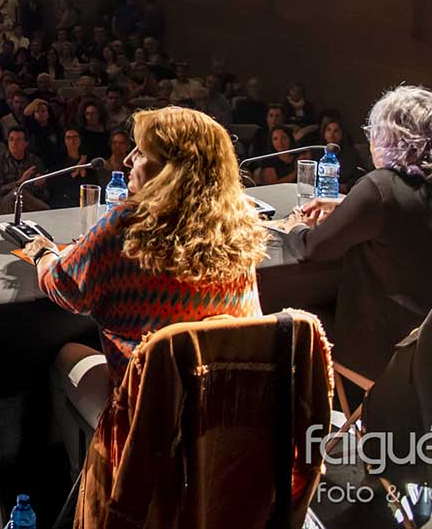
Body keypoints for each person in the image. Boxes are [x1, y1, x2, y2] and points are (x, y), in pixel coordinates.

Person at [28, 109, 264, 519]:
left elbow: (64, 287)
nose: (127, 159)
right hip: (227, 407)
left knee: (66, 354)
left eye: (139, 152)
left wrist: (43, 254)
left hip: (148, 411)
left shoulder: (127, 224)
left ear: (169, 169)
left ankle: (90, 485)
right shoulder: (239, 224)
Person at [284, 86, 432, 379]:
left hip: (399, 357)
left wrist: (295, 226)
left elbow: (314, 248)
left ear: (389, 138)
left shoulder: (379, 188)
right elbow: (414, 217)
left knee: (301, 319)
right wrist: (349, 206)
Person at [0, 126, 49, 214]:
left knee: (21, 193)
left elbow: (43, 193)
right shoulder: (0, 161)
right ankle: (48, 212)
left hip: (30, 203)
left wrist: (39, 185)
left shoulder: (34, 161)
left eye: (18, 140)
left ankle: (47, 213)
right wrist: (20, 182)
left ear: (26, 143)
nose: (14, 143)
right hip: (6, 203)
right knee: (17, 193)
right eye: (11, 139)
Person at [49, 126, 97, 208]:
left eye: (75, 137)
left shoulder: (88, 160)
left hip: (83, 201)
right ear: (64, 141)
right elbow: (56, 183)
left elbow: (90, 182)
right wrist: (77, 170)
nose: (72, 141)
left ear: (80, 140)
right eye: (68, 138)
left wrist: (80, 168)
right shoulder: (58, 159)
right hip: (62, 201)